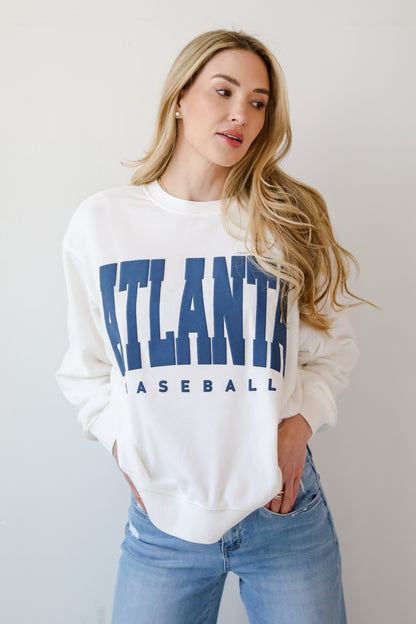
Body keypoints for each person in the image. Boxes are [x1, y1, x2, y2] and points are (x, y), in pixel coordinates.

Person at [56, 29, 363, 624]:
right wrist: (123, 446)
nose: (240, 113)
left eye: (257, 101)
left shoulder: (287, 221)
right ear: (179, 98)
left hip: (281, 511)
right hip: (162, 522)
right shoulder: (103, 224)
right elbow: (86, 369)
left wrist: (298, 428)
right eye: (224, 91)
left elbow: (333, 349)